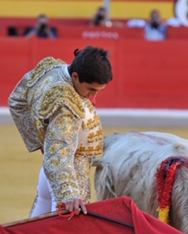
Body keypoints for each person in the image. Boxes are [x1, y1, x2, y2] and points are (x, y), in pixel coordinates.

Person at [8, 46, 113, 217]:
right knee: (66, 229)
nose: (93, 96)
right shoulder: (66, 103)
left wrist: (41, 142)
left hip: (51, 170)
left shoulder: (52, 69)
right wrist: (69, 194)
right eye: (91, 89)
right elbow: (59, 151)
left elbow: (17, 100)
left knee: (37, 222)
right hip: (70, 172)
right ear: (75, 76)